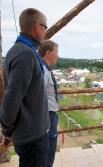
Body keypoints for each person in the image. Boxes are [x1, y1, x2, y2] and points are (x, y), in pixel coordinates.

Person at [0, 8, 50, 167]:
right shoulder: (25, 54)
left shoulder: (19, 50)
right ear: (37, 26)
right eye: (45, 27)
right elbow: (11, 98)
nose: (45, 31)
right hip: (32, 137)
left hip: (31, 133)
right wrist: (6, 131)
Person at [37, 40, 59, 167]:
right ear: (48, 53)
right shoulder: (43, 72)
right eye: (56, 52)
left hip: (48, 114)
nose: (57, 55)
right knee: (48, 150)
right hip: (47, 115)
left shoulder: (45, 69)